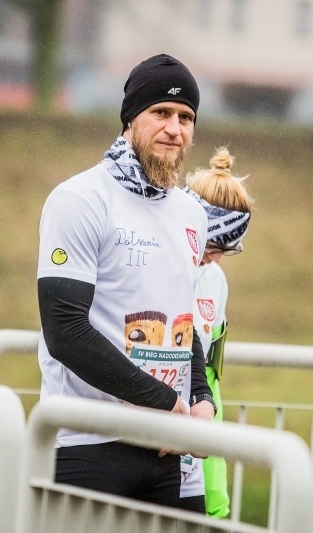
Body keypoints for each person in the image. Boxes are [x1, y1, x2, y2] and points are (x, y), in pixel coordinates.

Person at [36, 53, 216, 510]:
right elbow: (65, 332)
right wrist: (161, 401)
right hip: (87, 442)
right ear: (130, 119)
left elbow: (185, 320)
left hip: (164, 447)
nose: (175, 128)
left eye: (186, 117)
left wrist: (200, 399)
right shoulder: (80, 199)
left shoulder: (191, 211)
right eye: (161, 112)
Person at [178, 147, 254, 517]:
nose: (217, 258)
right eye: (213, 245)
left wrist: (214, 481)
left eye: (227, 249)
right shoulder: (166, 262)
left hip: (199, 431)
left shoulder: (216, 280)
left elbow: (209, 373)